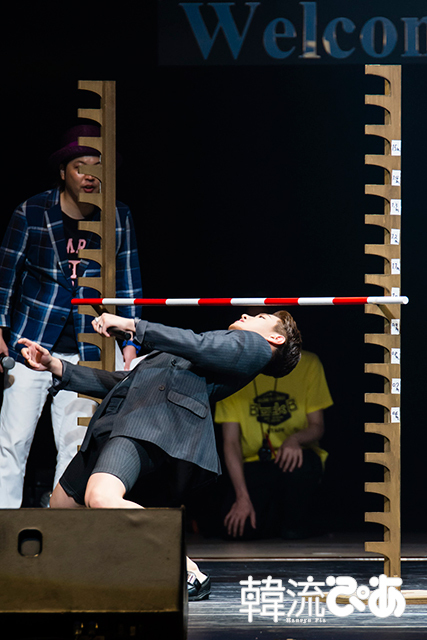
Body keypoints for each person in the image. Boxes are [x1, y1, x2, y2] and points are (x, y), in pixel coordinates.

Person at [18, 309, 302, 599]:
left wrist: (131, 325)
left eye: (261, 317)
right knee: (62, 506)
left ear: (276, 339)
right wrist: (56, 366)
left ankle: (185, 568)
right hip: (116, 423)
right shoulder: (204, 355)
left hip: (147, 424)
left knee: (101, 497)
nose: (246, 314)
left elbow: (197, 343)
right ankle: (94, 574)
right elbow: (123, 382)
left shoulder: (255, 347)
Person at [0, 124, 143, 508]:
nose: (90, 176)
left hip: (88, 349)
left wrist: (130, 342)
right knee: (13, 441)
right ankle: (4, 525)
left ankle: (63, 530)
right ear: (64, 171)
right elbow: (5, 277)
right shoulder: (32, 211)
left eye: (97, 167)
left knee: (75, 442)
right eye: (81, 166)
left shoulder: (117, 215)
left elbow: (128, 283)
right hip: (31, 342)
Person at [214, 349, 333, 540]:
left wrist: (295, 439)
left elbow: (317, 426)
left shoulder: (308, 363)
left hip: (295, 457)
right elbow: (231, 442)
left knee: (299, 472)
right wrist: (242, 497)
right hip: (254, 463)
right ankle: (273, 522)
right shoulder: (234, 372)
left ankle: (293, 526)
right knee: (237, 529)